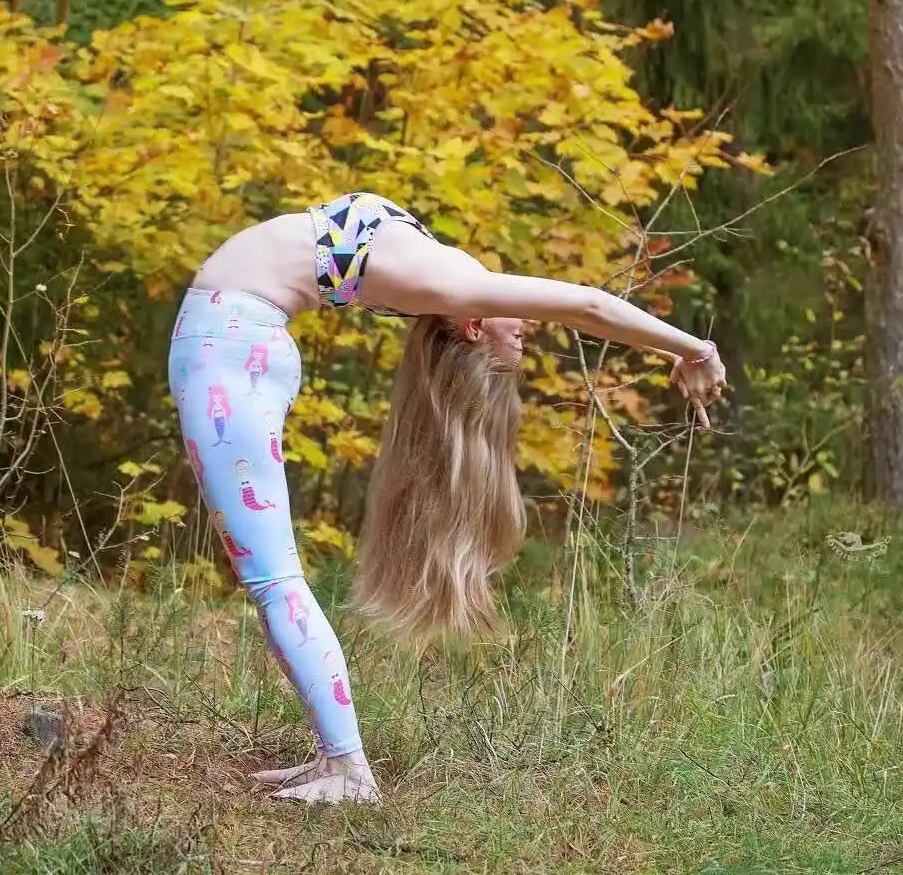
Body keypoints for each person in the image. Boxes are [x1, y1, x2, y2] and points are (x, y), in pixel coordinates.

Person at [167, 192, 726, 804]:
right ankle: (337, 760)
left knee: (273, 580)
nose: (526, 326)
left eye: (516, 333)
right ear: (474, 322)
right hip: (234, 343)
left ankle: (348, 771)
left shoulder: (447, 281)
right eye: (518, 333)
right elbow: (586, 303)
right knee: (273, 579)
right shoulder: (450, 275)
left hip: (229, 347)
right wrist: (691, 347)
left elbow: (584, 306)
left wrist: (685, 350)